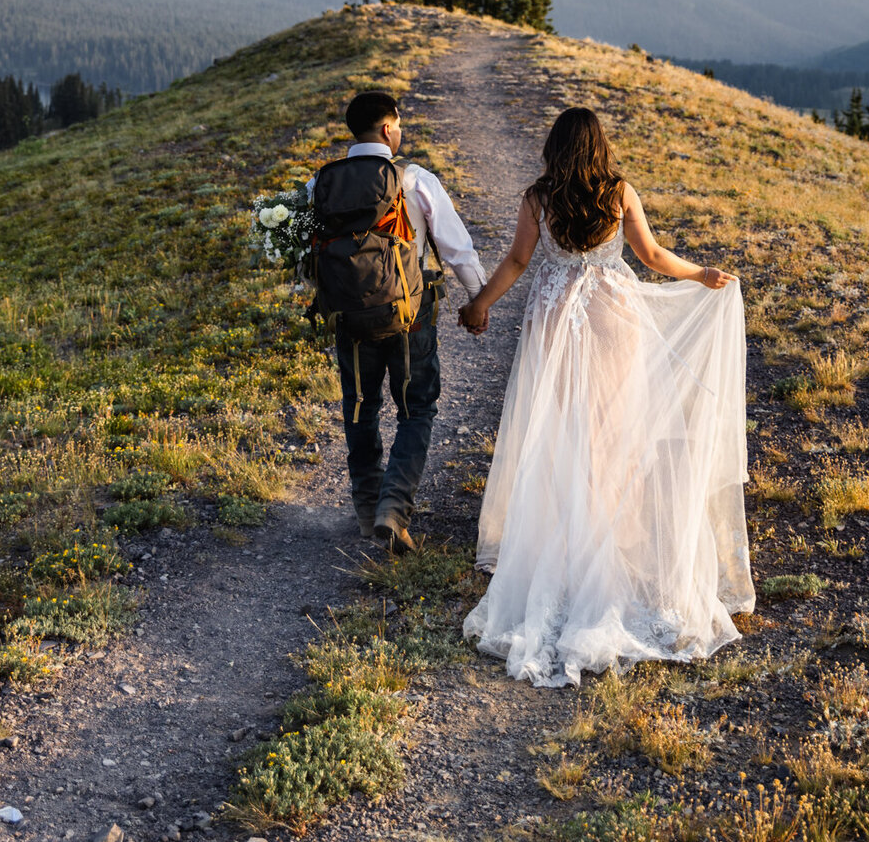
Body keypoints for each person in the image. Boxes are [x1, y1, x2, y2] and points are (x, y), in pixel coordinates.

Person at [458, 107, 754, 687]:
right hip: (615, 317)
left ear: (554, 146)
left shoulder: (539, 198)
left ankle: (570, 543)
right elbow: (652, 257)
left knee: (565, 432)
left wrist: (481, 304)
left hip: (555, 321)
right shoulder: (618, 193)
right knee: (615, 431)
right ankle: (610, 544)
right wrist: (700, 275)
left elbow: (519, 260)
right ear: (599, 146)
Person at [314, 90, 486, 554]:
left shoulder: (323, 184)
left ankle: (368, 509)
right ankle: (394, 508)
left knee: (360, 407)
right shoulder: (412, 178)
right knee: (417, 408)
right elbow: (457, 249)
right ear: (389, 128)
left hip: (350, 317)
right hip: (410, 313)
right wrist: (479, 301)